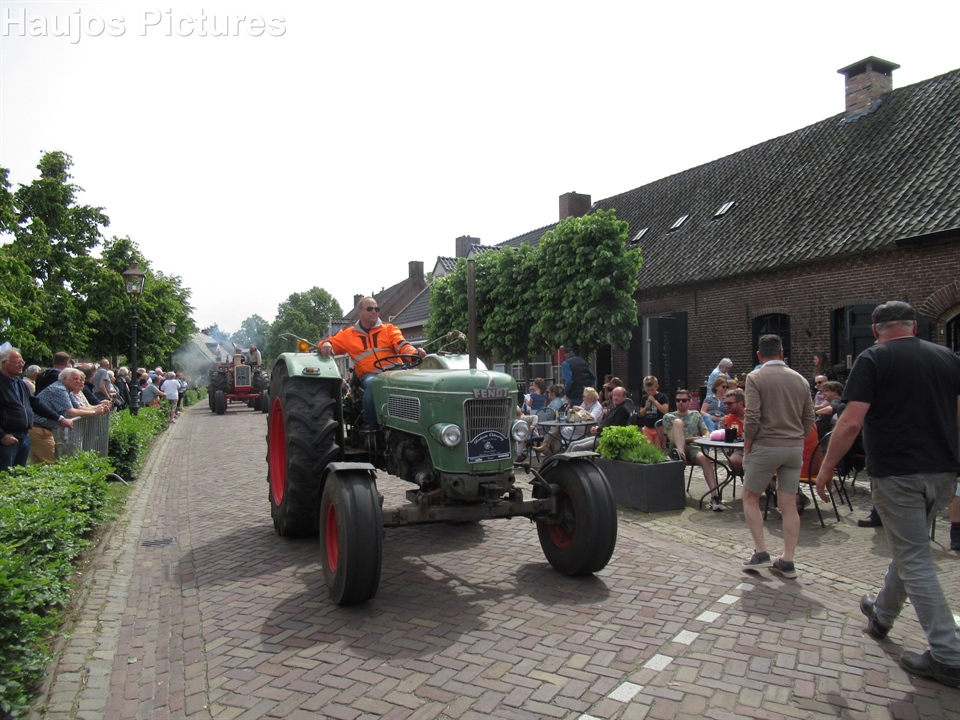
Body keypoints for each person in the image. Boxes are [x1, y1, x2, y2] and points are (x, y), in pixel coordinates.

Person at [816, 301, 960, 688]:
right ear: (914, 326)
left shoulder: (873, 359)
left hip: (898, 473)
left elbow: (850, 421)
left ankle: (948, 655)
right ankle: (881, 614)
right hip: (942, 472)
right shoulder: (947, 357)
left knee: (915, 559)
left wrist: (826, 468)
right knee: (910, 546)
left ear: (876, 329)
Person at [741, 334, 815, 578]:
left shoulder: (755, 378)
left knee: (750, 497)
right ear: (782, 353)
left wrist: (748, 442)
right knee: (789, 503)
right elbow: (809, 417)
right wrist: (798, 438)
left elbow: (752, 414)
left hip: (765, 445)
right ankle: (788, 560)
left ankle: (761, 553)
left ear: (759, 355)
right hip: (793, 448)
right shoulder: (800, 380)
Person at [318, 296, 425, 427]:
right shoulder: (348, 335)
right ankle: (370, 425)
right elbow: (329, 343)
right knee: (373, 383)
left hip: (395, 371)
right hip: (371, 374)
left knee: (417, 383)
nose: (374, 311)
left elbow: (402, 344)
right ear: (360, 311)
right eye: (370, 309)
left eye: (376, 309)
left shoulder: (389, 329)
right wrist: (326, 344)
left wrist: (414, 354)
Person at [0, 348, 73, 472]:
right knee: (4, 475)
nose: (21, 365)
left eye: (22, 362)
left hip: (23, 436)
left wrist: (59, 418)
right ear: (4, 363)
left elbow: (36, 404)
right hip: (7, 438)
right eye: (17, 362)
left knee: (18, 475)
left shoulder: (19, 383)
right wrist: (2, 435)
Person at [29, 368, 111, 464]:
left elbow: (79, 407)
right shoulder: (59, 389)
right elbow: (72, 412)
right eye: (75, 379)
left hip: (43, 429)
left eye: (80, 379)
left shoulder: (67, 390)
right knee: (49, 463)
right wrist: (96, 412)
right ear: (65, 379)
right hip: (39, 429)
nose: (78, 381)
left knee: (39, 464)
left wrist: (99, 407)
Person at [663, 390, 723, 511]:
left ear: (689, 402)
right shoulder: (669, 417)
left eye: (684, 400)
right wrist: (695, 438)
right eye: (678, 400)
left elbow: (706, 432)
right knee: (678, 422)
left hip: (694, 448)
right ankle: (681, 456)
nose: (680, 402)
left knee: (705, 459)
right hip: (675, 448)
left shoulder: (695, 415)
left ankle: (714, 496)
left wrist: (704, 436)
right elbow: (672, 438)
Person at [567, 386, 632, 452]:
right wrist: (597, 428)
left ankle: (568, 459)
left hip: (605, 439)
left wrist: (598, 429)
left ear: (624, 397)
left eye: (618, 396)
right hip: (599, 435)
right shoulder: (615, 408)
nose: (615, 397)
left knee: (576, 447)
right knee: (572, 444)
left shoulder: (622, 410)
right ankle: (564, 459)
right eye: (614, 395)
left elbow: (616, 429)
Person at [636, 375, 669, 448]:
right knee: (648, 448)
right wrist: (646, 407)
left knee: (659, 447)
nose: (650, 392)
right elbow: (641, 413)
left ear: (657, 387)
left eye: (652, 389)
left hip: (659, 427)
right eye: (648, 390)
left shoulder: (662, 396)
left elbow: (665, 410)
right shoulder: (644, 397)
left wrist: (654, 401)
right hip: (648, 426)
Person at [722, 388, 746, 473]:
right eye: (725, 403)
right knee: (734, 462)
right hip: (741, 449)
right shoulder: (729, 418)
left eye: (730, 403)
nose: (726, 406)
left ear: (740, 403)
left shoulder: (752, 415)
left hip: (757, 447)